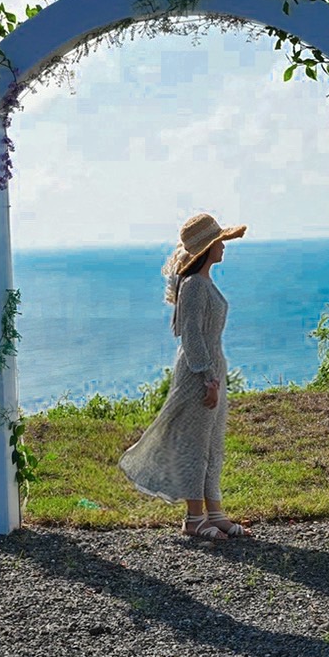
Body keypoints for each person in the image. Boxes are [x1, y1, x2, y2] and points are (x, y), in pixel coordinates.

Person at [119, 213, 254, 541]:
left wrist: (216, 374)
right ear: (207, 248)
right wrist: (208, 378)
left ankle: (214, 513)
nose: (223, 245)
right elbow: (190, 333)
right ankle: (194, 519)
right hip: (199, 372)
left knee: (213, 443)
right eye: (219, 241)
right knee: (195, 446)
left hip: (212, 368)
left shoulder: (204, 282)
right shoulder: (194, 285)